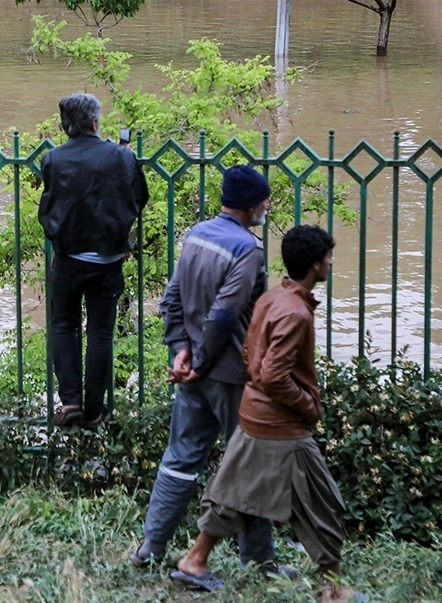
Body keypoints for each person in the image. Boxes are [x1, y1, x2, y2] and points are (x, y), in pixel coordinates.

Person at [171, 225, 360, 603]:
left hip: (254, 414)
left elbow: (250, 355)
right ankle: (334, 590)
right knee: (321, 503)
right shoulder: (295, 313)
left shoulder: (272, 298)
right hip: (281, 426)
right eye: (327, 257)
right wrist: (307, 405)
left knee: (232, 493)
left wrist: (264, 386)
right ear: (314, 265)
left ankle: (195, 560)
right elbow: (274, 375)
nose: (331, 262)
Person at [131, 164, 287, 574]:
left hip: (194, 372)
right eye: (265, 199)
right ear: (252, 205)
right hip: (231, 373)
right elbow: (223, 316)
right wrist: (198, 363)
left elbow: (172, 300)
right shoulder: (247, 249)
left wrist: (180, 351)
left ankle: (151, 547)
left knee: (180, 459)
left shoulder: (197, 234)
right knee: (250, 464)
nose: (268, 205)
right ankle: (259, 561)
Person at [38, 93, 149, 429]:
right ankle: (95, 409)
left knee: (63, 326)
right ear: (94, 122)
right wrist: (125, 160)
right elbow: (140, 197)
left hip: (68, 257)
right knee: (100, 334)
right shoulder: (119, 157)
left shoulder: (53, 159)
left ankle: (70, 400)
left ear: (65, 125)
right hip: (108, 259)